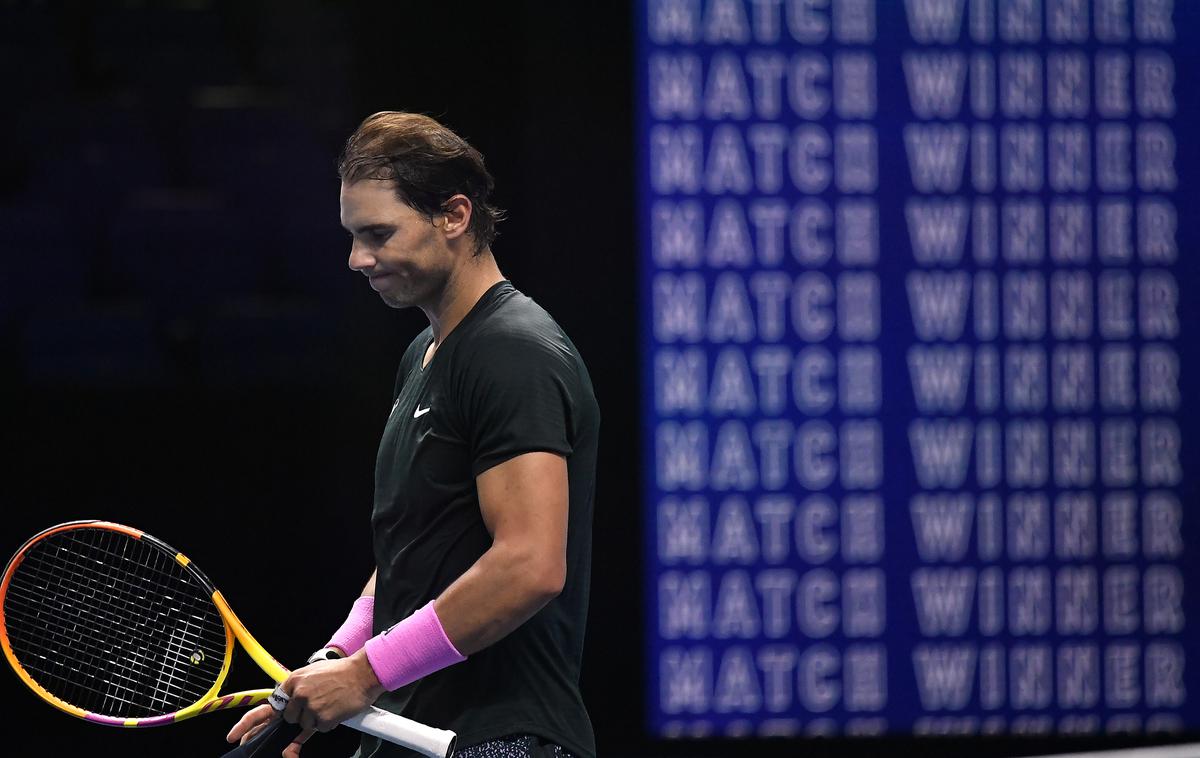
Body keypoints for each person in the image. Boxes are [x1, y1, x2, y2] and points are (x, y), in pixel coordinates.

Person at [226, 112, 599, 758]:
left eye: (377, 234)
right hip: (419, 733)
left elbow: (531, 565)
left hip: (502, 740)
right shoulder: (425, 353)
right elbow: (414, 553)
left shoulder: (513, 352)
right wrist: (337, 657)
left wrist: (365, 675)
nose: (356, 259)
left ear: (454, 216)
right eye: (351, 236)